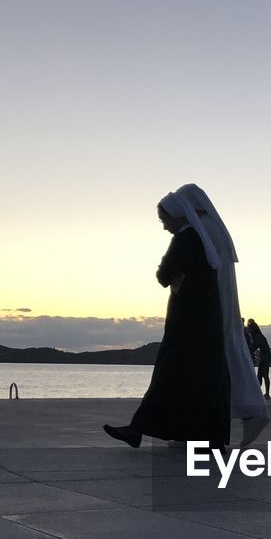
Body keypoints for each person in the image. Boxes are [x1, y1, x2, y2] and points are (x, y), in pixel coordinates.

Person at [102, 190, 230, 449]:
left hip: (187, 320)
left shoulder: (186, 239)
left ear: (177, 215)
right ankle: (206, 435)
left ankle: (138, 429)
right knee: (202, 376)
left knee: (170, 373)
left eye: (164, 220)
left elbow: (163, 275)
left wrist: (169, 273)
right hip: (206, 319)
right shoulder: (202, 239)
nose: (164, 226)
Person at [173, 184, 269, 448]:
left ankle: (250, 413)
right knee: (224, 361)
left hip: (213, 307)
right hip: (221, 306)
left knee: (216, 364)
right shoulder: (213, 228)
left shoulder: (204, 230)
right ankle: (205, 428)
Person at [246, 319, 271, 398]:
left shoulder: (258, 336)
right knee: (261, 375)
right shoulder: (259, 336)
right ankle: (261, 392)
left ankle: (265, 393)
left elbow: (255, 346)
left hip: (265, 356)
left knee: (263, 375)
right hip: (265, 356)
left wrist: (247, 349)